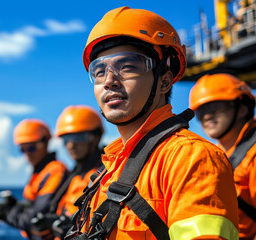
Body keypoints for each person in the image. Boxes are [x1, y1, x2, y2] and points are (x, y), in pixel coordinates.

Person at [65, 6, 239, 240]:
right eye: (99, 70)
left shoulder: (191, 159)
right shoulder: (109, 168)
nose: (109, 81)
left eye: (128, 66)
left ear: (164, 82)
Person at [189, 73, 256, 239]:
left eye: (214, 108)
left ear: (242, 108)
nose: (206, 116)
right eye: (201, 112)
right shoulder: (213, 154)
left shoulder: (253, 155)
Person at [30, 105, 105, 239]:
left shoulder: (107, 175)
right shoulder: (74, 175)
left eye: (78, 137)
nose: (71, 145)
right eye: (66, 139)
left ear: (95, 137)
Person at [0, 119, 68, 239]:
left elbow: (35, 217)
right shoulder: (40, 172)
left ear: (45, 143)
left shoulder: (55, 171)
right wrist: (14, 205)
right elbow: (33, 205)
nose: (27, 154)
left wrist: (6, 212)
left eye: (31, 148)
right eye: (22, 149)